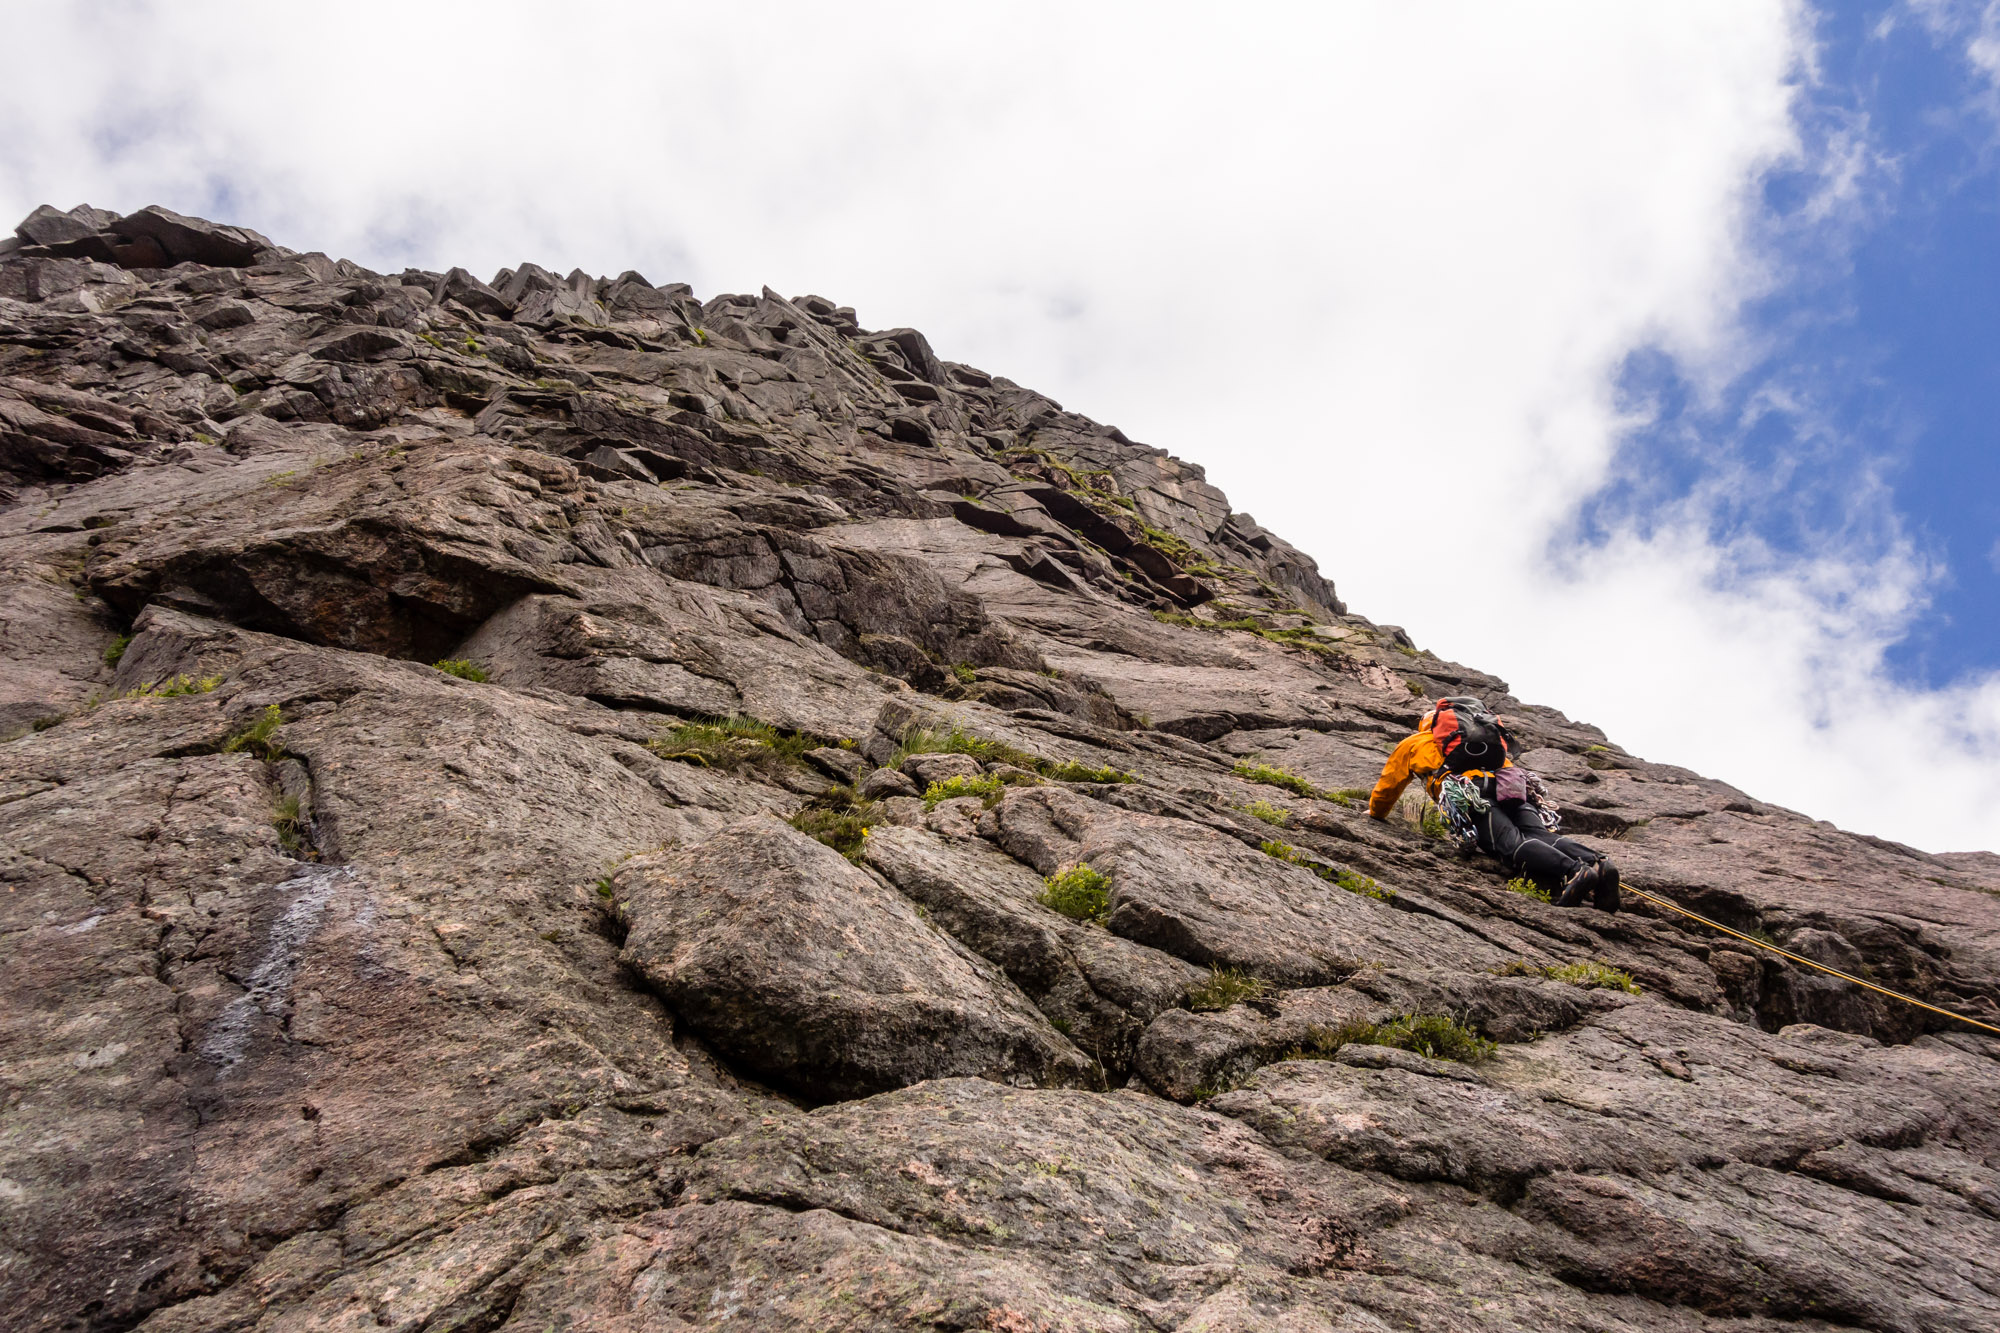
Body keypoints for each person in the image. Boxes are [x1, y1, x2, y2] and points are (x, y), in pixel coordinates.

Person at [1367, 698, 1620, 911]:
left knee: (1509, 844)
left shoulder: (1414, 743)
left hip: (1471, 792)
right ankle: (1598, 863)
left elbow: (1390, 783)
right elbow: (1507, 767)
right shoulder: (1485, 738)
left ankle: (1575, 871)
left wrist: (1376, 812)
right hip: (1511, 788)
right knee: (1538, 833)